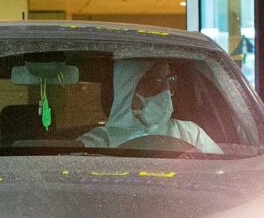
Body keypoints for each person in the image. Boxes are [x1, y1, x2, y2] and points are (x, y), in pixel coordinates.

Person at [79, 60, 222, 153]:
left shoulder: (191, 133)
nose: (165, 91)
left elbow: (222, 173)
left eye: (169, 80)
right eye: (155, 81)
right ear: (128, 90)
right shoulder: (101, 141)